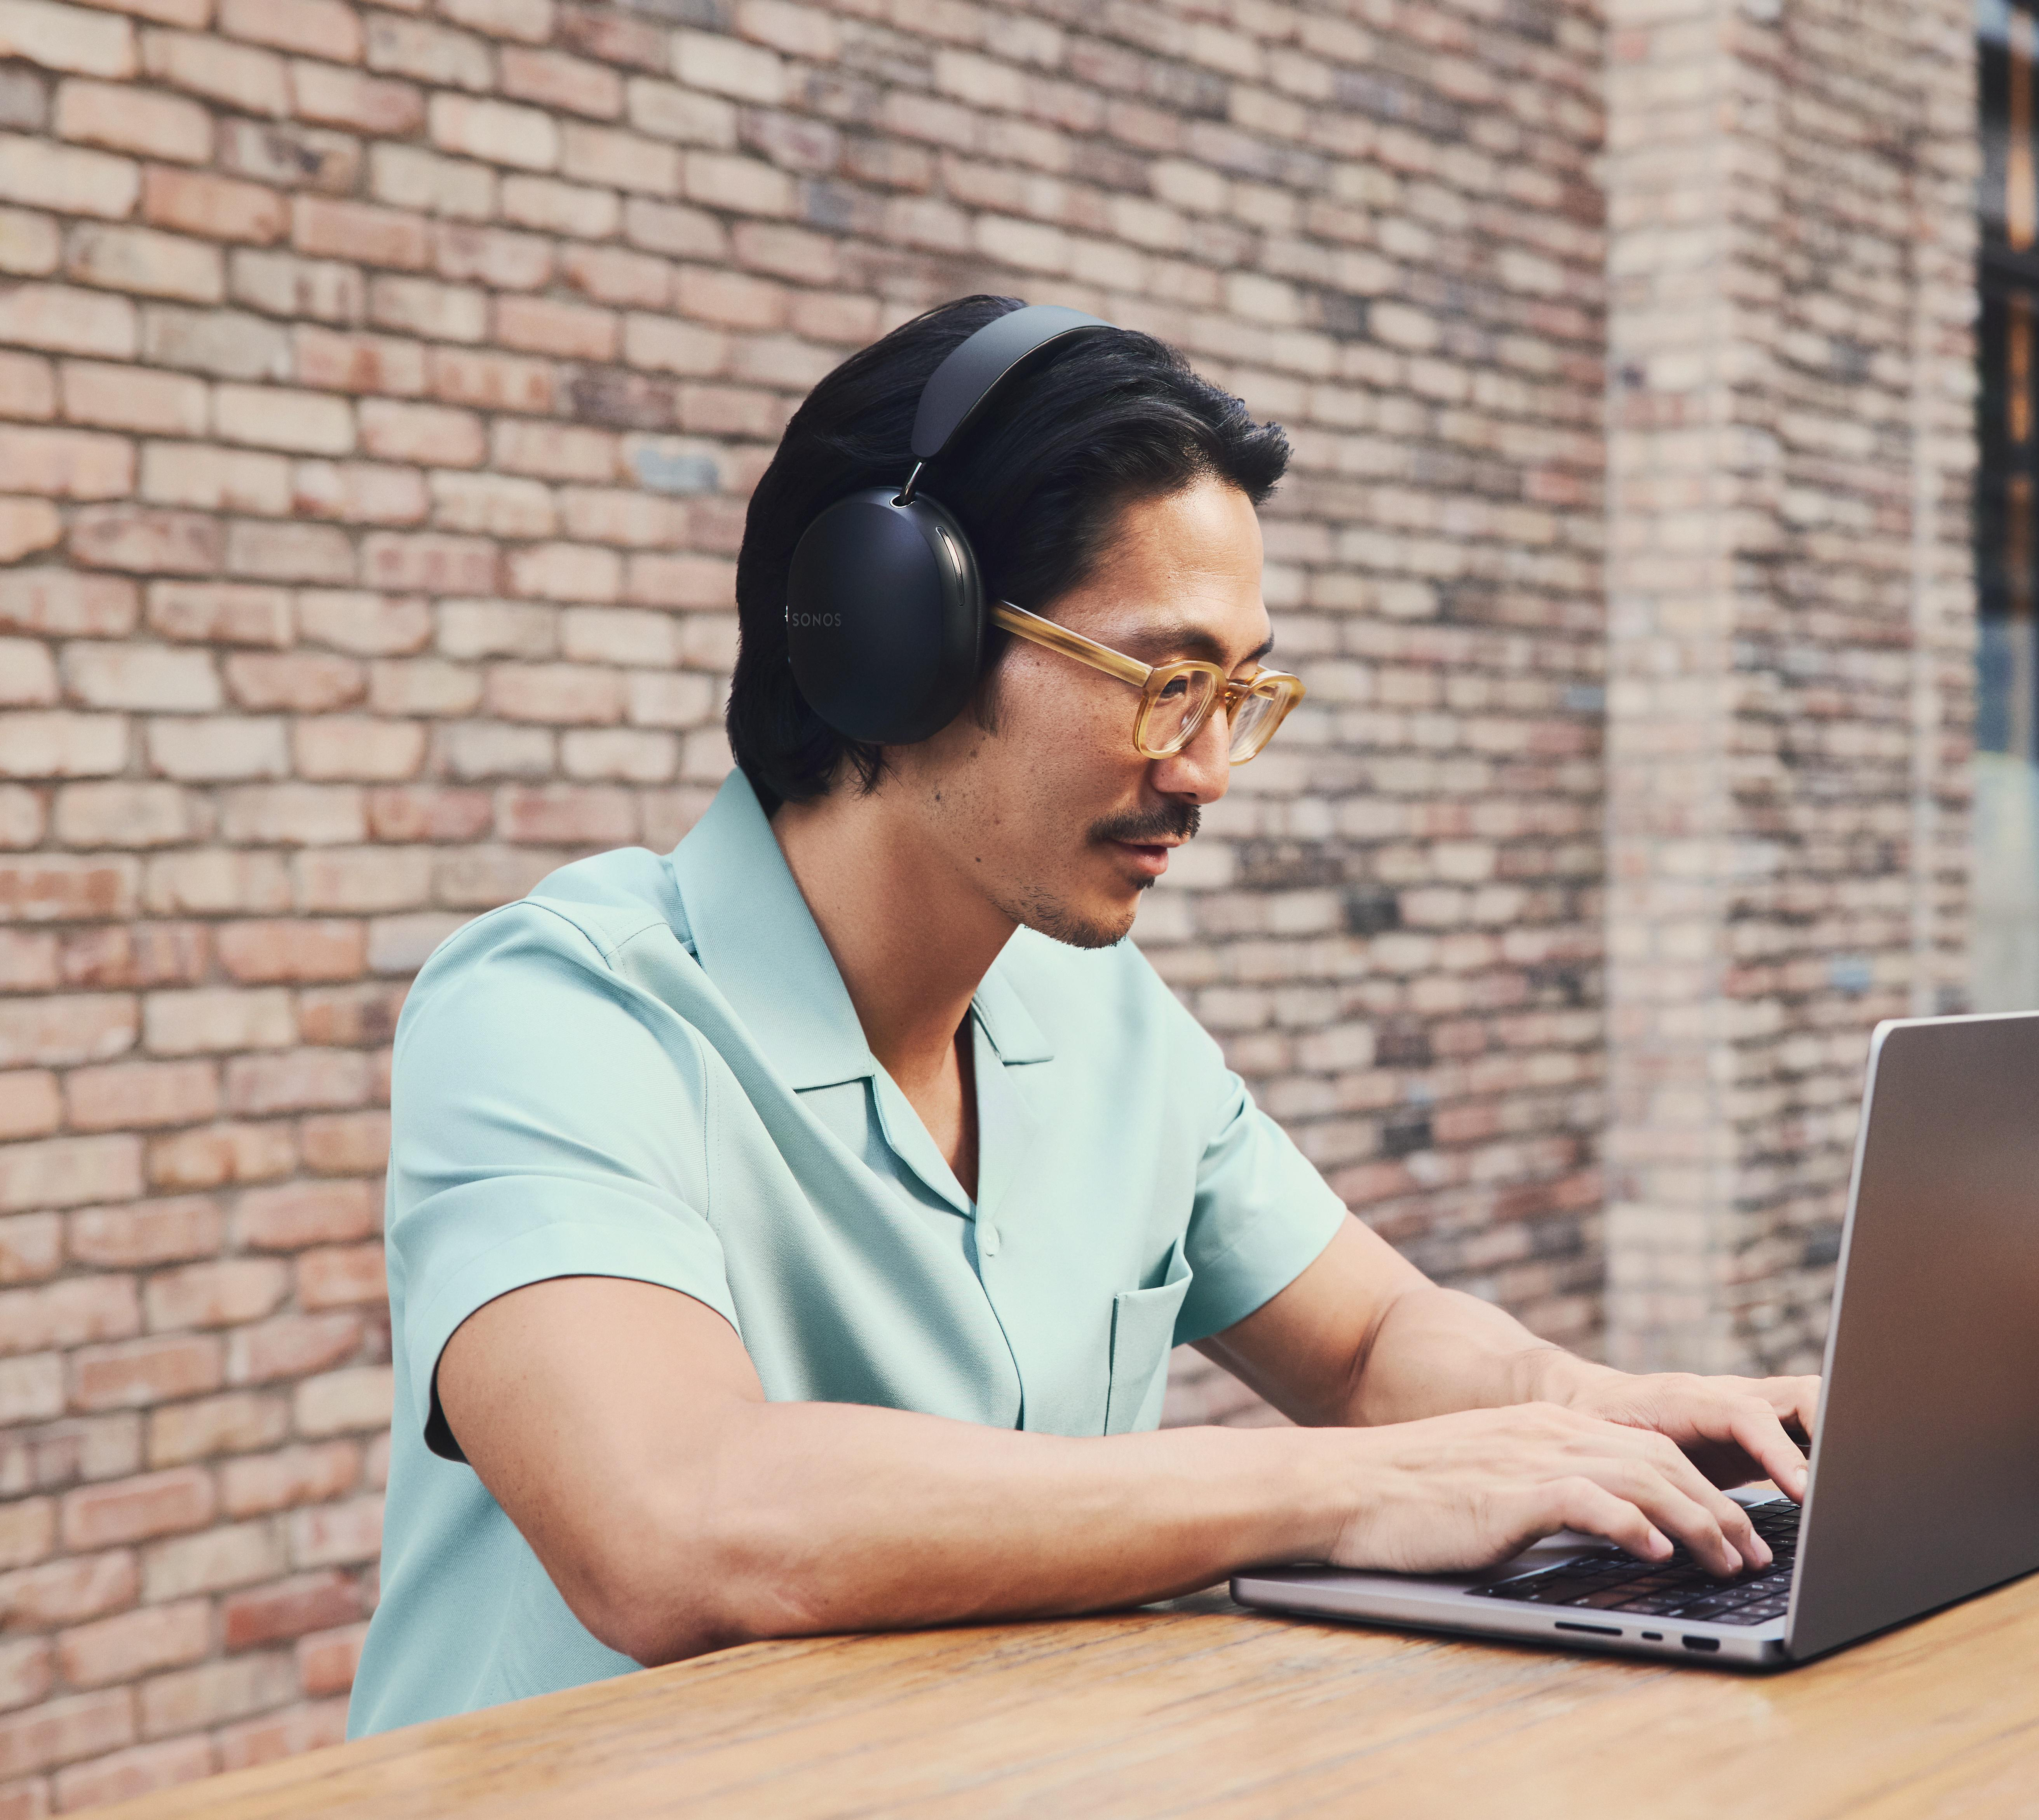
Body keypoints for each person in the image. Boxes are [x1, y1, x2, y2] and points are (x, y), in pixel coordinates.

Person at [347, 296, 1820, 1735]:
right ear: (893, 634)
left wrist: (1596, 1423)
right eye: (1166, 680)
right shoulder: (556, 1010)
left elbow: (1371, 1340)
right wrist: (1359, 1490)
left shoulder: (1102, 1018)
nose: (1209, 769)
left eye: (1239, 694)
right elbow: (677, 1520)